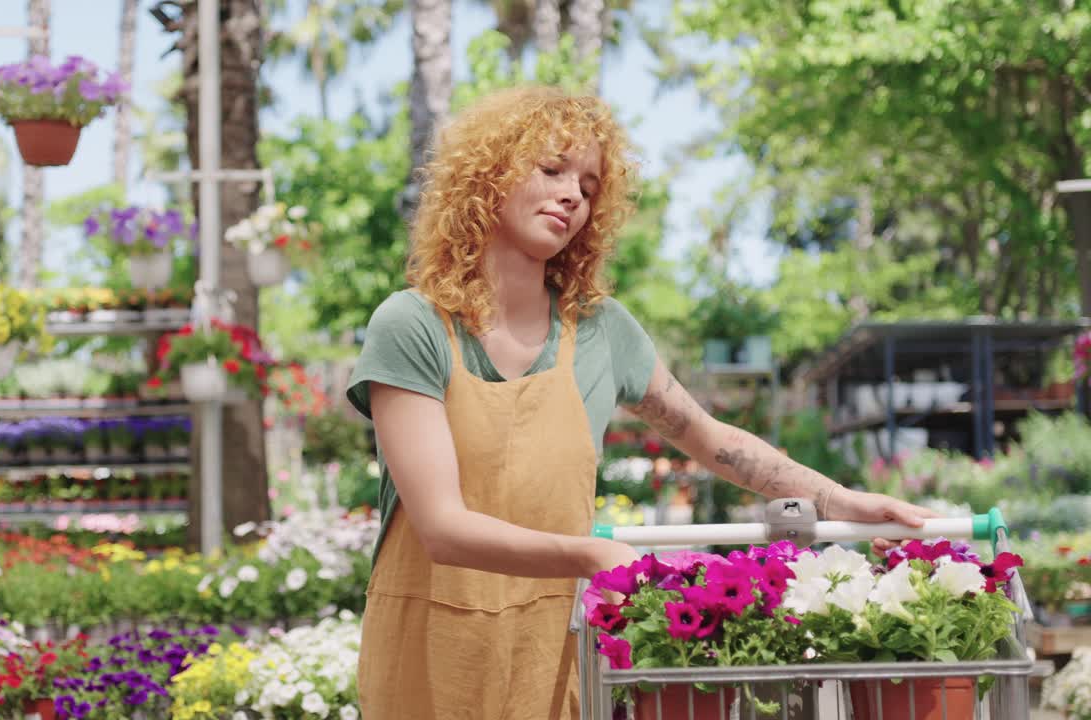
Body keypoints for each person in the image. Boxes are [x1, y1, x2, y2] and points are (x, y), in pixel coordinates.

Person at [345, 85, 934, 720]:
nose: (572, 194)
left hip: (552, 650)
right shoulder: (412, 326)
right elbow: (442, 527)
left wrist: (839, 500)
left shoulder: (601, 329)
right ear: (488, 175)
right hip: (431, 656)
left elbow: (711, 439)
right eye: (551, 169)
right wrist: (591, 553)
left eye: (590, 186)